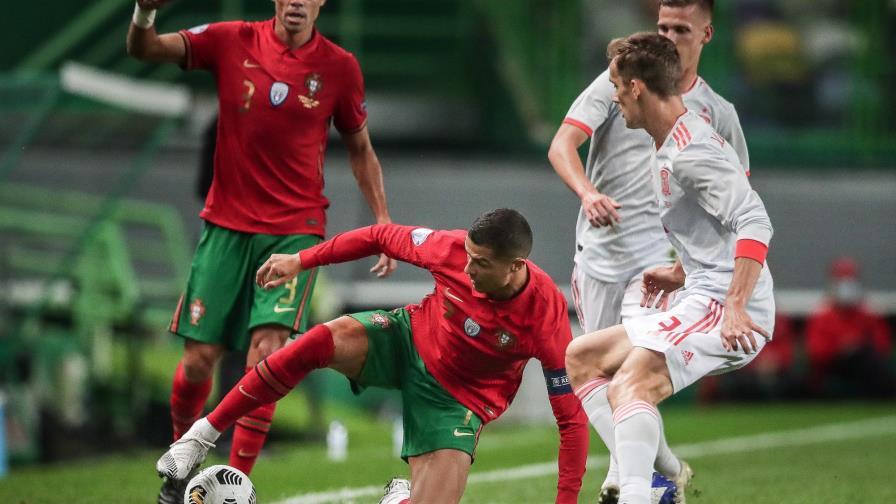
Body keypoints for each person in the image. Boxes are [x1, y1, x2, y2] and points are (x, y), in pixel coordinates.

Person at [126, 1, 396, 501]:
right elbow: (145, 49)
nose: (296, 2)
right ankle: (180, 470)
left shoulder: (339, 67)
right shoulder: (231, 40)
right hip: (226, 227)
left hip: (294, 232)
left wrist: (382, 219)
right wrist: (144, 11)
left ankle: (235, 485)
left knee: (267, 355)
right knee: (198, 361)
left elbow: (360, 148)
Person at [156, 209, 589, 504]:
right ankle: (200, 437)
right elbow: (379, 236)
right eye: (469, 256)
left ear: (516, 266)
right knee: (320, 340)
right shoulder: (451, 249)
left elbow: (571, 422)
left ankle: (401, 498)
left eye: (481, 264)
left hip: (458, 401)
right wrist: (302, 260)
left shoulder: (546, 318)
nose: (468, 268)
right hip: (406, 340)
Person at [548, 1, 748, 500]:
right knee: (592, 368)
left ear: (706, 34)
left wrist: (703, 268)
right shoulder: (617, 81)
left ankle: (627, 481)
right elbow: (561, 145)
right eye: (662, 26)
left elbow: (739, 199)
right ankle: (667, 470)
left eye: (681, 28)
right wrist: (587, 193)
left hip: (658, 265)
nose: (669, 37)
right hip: (599, 255)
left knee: (631, 373)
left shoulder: (717, 113)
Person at [805, 257, 894, 398]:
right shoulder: (822, 315)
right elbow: (816, 352)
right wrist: (841, 348)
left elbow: (882, 345)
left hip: (864, 365)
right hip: (834, 366)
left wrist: (859, 345)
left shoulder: (868, 313)